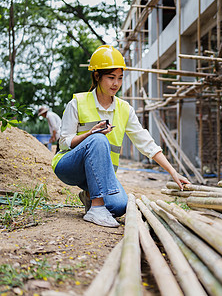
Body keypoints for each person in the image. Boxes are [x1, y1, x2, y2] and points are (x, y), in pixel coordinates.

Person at [51, 45, 189, 228]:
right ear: (97, 76)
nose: (115, 83)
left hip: (100, 173)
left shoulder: (125, 109)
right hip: (68, 166)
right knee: (99, 139)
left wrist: (173, 172)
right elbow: (64, 142)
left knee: (118, 207)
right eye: (110, 77)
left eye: (120, 78)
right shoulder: (78, 103)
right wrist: (90, 134)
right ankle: (97, 208)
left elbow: (145, 143)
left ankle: (90, 195)